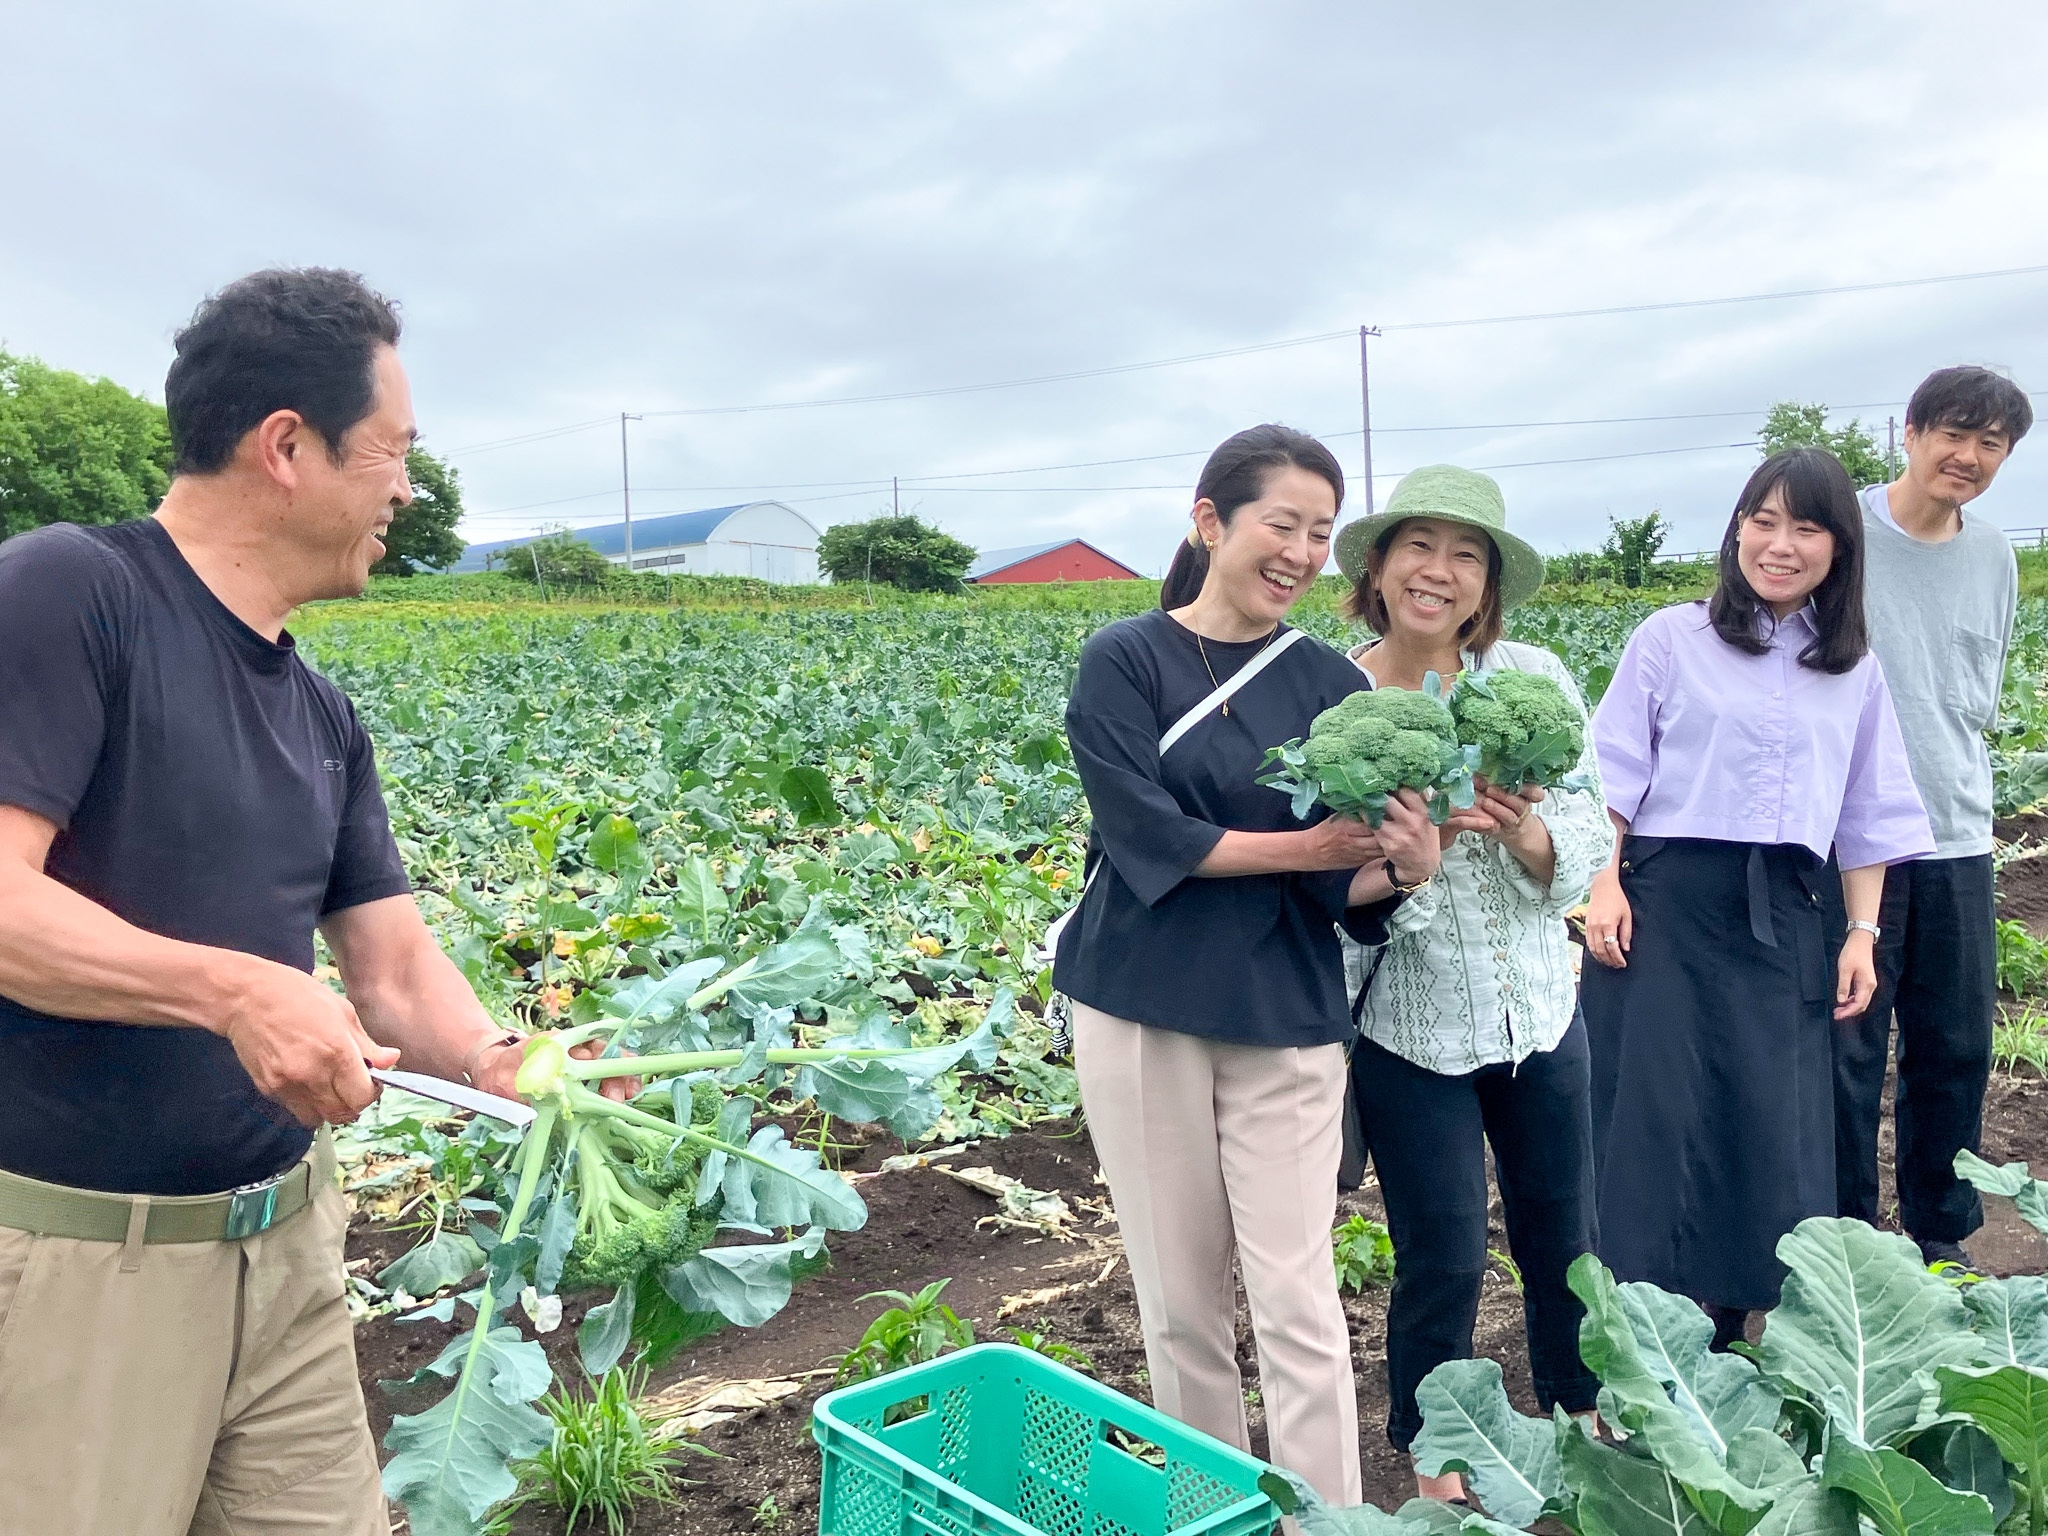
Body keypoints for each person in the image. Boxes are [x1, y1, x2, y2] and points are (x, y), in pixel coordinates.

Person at [0, 269, 622, 1536]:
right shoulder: (76, 592)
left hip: (285, 1249)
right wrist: (233, 989)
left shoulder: (322, 713)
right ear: (286, 446)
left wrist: (506, 1060)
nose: (405, 490)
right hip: (82, 1266)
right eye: (393, 454)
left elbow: (390, 969)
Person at [1056, 424, 1441, 1506]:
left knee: (1298, 1297)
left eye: (1320, 533)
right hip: (1142, 1007)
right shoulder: (1123, 659)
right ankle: (1213, 1511)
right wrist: (1309, 848)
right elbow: (1145, 836)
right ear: (1209, 520)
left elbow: (1337, 888)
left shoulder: (1323, 679)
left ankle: (1324, 1523)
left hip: (1284, 1010)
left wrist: (1404, 867)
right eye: (1282, 523)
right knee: (1179, 1302)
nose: (1301, 551)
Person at [1581, 447, 1934, 1347]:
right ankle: (1641, 1329)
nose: (1781, 544)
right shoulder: (1671, 638)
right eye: (1764, 520)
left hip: (1789, 908)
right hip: (1664, 898)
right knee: (1652, 1112)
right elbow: (1612, 776)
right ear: (1737, 527)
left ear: (1838, 548)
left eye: (1806, 527)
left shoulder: (1852, 669)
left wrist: (1862, 934)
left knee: (1768, 1114)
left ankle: (1741, 1324)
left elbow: (1867, 810)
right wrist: (1605, 879)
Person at [1330, 465, 1607, 1497]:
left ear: (1485, 582)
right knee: (1440, 1254)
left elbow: (1590, 823)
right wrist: (1414, 856)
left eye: (1464, 554)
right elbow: (1320, 881)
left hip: (1538, 1010)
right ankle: (1434, 1446)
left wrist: (1530, 830)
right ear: (1377, 564)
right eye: (1418, 546)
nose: (1437, 571)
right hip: (1410, 1025)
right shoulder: (1332, 693)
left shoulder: (1525, 671)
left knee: (1561, 1230)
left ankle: (1579, 1404)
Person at [1834, 367, 2034, 1267]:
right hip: (1847, 844)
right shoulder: (1847, 535)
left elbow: (1975, 696)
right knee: (1844, 1052)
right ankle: (1841, 1244)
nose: (1971, 456)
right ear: (1910, 433)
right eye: (1956, 433)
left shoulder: (1993, 554)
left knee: (1953, 1047)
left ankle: (1942, 1242)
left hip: (1956, 831)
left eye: (1993, 443)